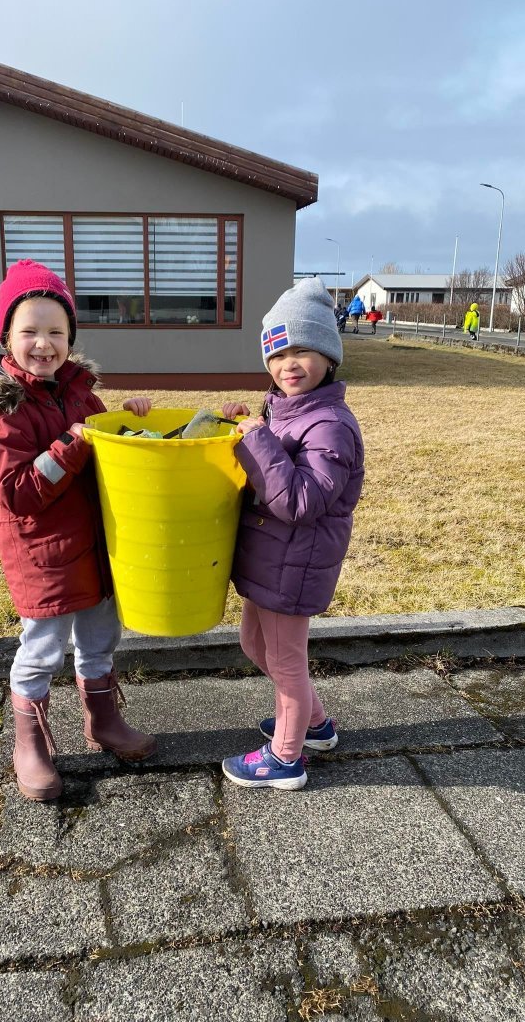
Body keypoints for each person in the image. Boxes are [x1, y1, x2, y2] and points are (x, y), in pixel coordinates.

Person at [0, 259, 156, 802]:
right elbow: (17, 492)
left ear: (71, 337)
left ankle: (103, 720)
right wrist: (73, 443)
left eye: (56, 332)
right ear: (5, 336)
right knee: (42, 648)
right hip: (43, 555)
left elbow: (103, 450)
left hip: (95, 547)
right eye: (30, 332)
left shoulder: (80, 392)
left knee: (98, 640)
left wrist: (125, 422)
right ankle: (31, 744)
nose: (44, 343)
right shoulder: (0, 408)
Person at [220, 277, 365, 790]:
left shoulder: (330, 424)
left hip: (296, 563)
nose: (289, 365)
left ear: (330, 356)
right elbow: (268, 463)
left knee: (284, 661)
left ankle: (285, 758)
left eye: (304, 350)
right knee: (255, 644)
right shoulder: (287, 411)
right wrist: (246, 429)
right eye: (279, 354)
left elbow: (300, 501)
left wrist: (258, 441)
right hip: (273, 561)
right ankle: (315, 725)